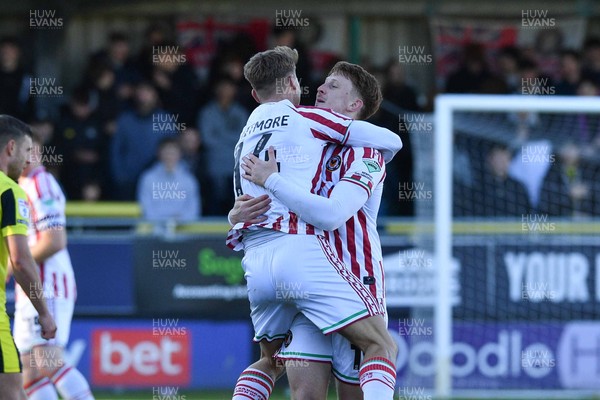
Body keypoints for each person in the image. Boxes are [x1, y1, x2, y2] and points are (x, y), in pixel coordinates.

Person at [228, 46, 401, 400]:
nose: (320, 88)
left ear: (355, 107)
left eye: (334, 86)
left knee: (351, 376)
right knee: (303, 392)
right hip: (309, 272)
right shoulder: (303, 136)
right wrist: (233, 214)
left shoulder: (364, 153)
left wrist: (269, 183)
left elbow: (332, 213)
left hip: (355, 277)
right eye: (323, 83)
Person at [12, 138, 94, 399]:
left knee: (48, 361)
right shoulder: (21, 185)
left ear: (36, 152)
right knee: (30, 373)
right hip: (29, 286)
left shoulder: (41, 183)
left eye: (28, 150)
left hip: (48, 284)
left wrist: (17, 263)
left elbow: (54, 240)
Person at [0, 115, 56, 400]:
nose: (26, 160)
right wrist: (44, 312)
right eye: (25, 151)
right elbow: (21, 261)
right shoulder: (10, 191)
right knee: (12, 395)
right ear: (11, 147)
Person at [110, 81, 176, 199]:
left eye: (148, 92)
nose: (144, 97)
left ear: (155, 95)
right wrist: (120, 177)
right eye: (141, 92)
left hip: (159, 182)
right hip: (128, 181)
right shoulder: (125, 120)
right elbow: (116, 151)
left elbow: (173, 150)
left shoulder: (165, 119)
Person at [197, 77, 248, 215]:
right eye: (222, 86)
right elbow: (207, 139)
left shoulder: (241, 112)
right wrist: (230, 139)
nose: (225, 90)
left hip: (236, 169)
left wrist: (219, 134)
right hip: (213, 167)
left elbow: (243, 139)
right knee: (213, 207)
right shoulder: (207, 112)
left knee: (235, 209)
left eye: (229, 87)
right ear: (216, 89)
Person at [137, 137, 201, 221]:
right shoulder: (148, 178)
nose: (169, 156)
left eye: (173, 153)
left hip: (184, 230)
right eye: (166, 152)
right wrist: (163, 222)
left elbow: (193, 209)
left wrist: (180, 221)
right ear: (159, 154)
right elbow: (145, 207)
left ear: (179, 155)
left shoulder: (189, 180)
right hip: (154, 230)